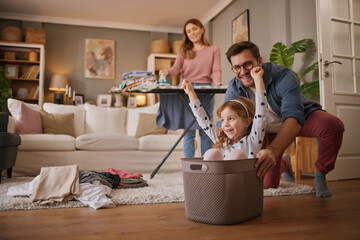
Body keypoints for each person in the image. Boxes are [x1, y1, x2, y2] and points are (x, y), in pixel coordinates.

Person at [224, 41, 345, 197]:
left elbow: (293, 116)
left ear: (259, 61)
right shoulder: (234, 88)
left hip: (297, 120)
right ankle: (285, 164)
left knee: (332, 125)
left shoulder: (283, 76)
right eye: (237, 67)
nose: (243, 72)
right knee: (267, 185)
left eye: (247, 64)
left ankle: (321, 175)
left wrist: (274, 151)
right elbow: (228, 121)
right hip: (264, 133)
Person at [157, 18, 222, 158]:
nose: (192, 33)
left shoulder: (213, 49)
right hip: (187, 90)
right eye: (188, 31)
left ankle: (207, 164)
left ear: (202, 29)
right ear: (186, 35)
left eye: (194, 29)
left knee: (206, 129)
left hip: (206, 91)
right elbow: (175, 69)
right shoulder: (184, 51)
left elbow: (216, 70)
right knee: (189, 131)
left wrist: (217, 84)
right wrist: (167, 71)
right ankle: (189, 166)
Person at [181, 64, 267, 161]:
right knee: (211, 152)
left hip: (244, 176)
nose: (225, 124)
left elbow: (261, 112)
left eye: (231, 119)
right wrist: (190, 93)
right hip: (221, 176)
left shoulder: (253, 140)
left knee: (236, 154)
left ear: (247, 122)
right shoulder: (222, 140)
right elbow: (203, 120)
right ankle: (208, 175)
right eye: (222, 120)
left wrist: (258, 79)